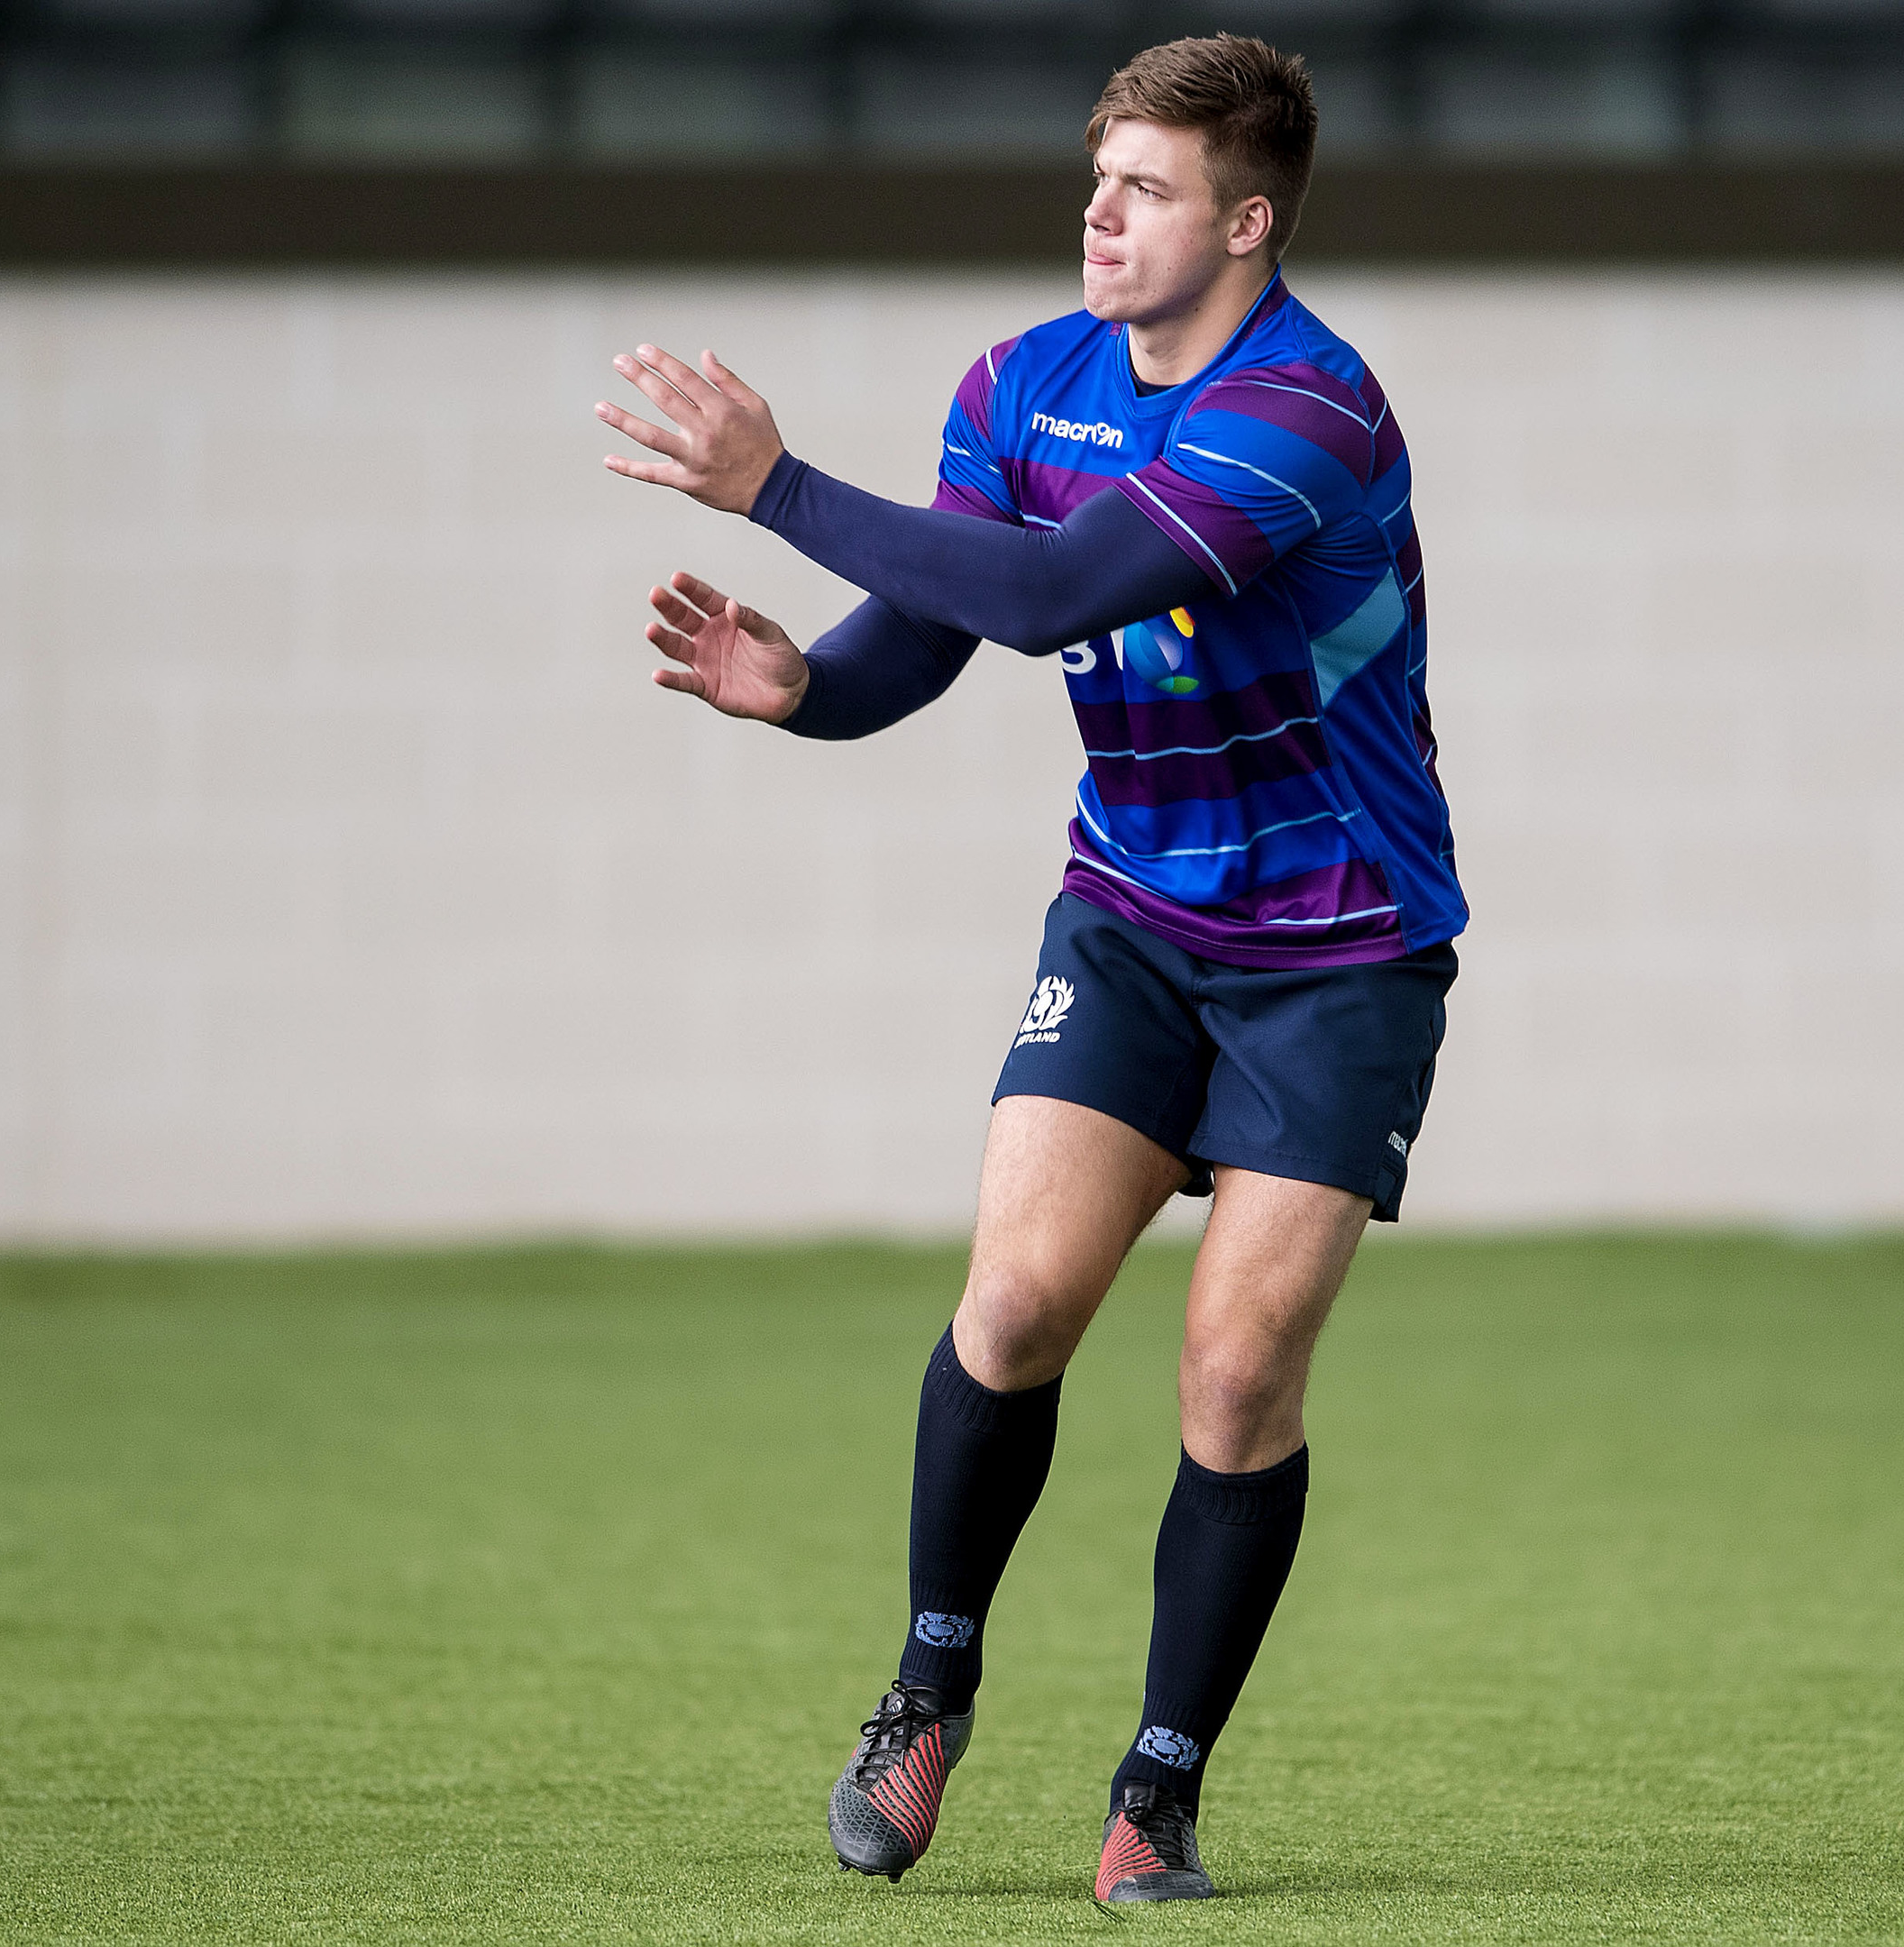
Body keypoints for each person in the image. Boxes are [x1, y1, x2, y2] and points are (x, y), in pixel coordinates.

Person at [593, 33, 1465, 1905]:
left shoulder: (1307, 410)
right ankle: (928, 1685)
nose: (1098, 210)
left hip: (1339, 949)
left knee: (1230, 1382)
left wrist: (773, 485)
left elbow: (1061, 598)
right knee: (1010, 1313)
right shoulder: (1021, 384)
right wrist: (808, 689)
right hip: (1130, 922)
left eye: (1142, 187)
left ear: (1245, 220)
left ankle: (1155, 1788)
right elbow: (938, 633)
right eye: (1095, 177)